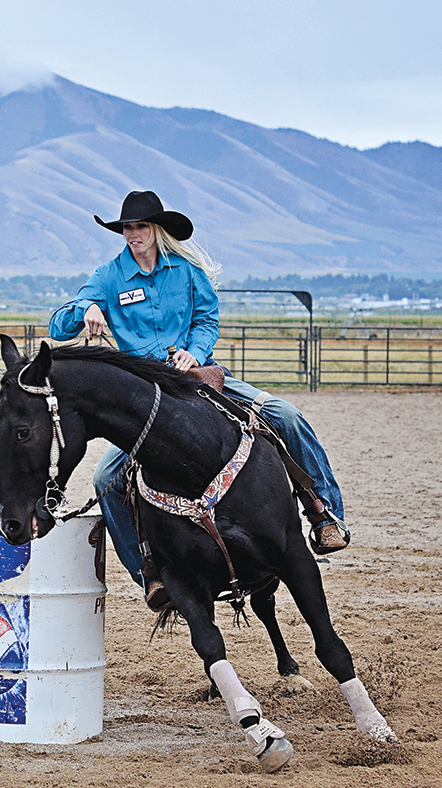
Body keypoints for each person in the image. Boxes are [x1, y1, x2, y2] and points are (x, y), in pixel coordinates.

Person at [48, 190, 350, 608]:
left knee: (286, 415)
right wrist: (85, 309)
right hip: (143, 394)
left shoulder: (187, 271)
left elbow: (207, 318)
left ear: (157, 230)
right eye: (126, 228)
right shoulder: (108, 277)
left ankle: (324, 514)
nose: (132, 234)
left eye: (139, 227)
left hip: (196, 377)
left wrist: (194, 349)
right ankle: (149, 574)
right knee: (105, 480)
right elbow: (58, 324)